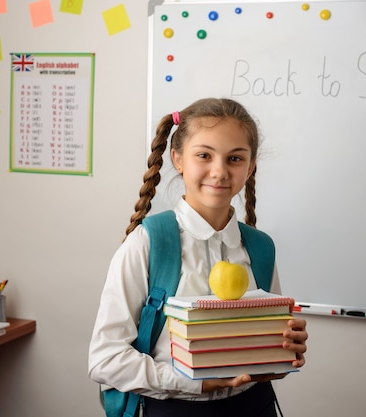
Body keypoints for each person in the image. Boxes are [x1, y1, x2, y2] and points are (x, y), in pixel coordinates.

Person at [88, 98, 308, 417]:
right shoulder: (148, 243)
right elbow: (104, 359)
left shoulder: (261, 247)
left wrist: (283, 350)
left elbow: (266, 351)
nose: (219, 171)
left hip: (253, 406)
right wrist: (198, 383)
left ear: (251, 165)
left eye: (235, 158)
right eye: (204, 155)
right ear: (177, 158)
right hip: (171, 409)